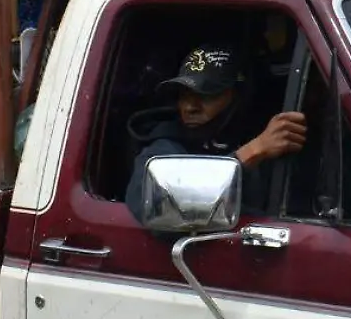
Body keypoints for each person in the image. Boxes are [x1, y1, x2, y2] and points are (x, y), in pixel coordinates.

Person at [123, 43, 307, 224]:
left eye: (206, 95)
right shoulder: (163, 148)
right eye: (184, 95)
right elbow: (158, 207)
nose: (189, 107)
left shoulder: (273, 142)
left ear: (238, 97)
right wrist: (249, 154)